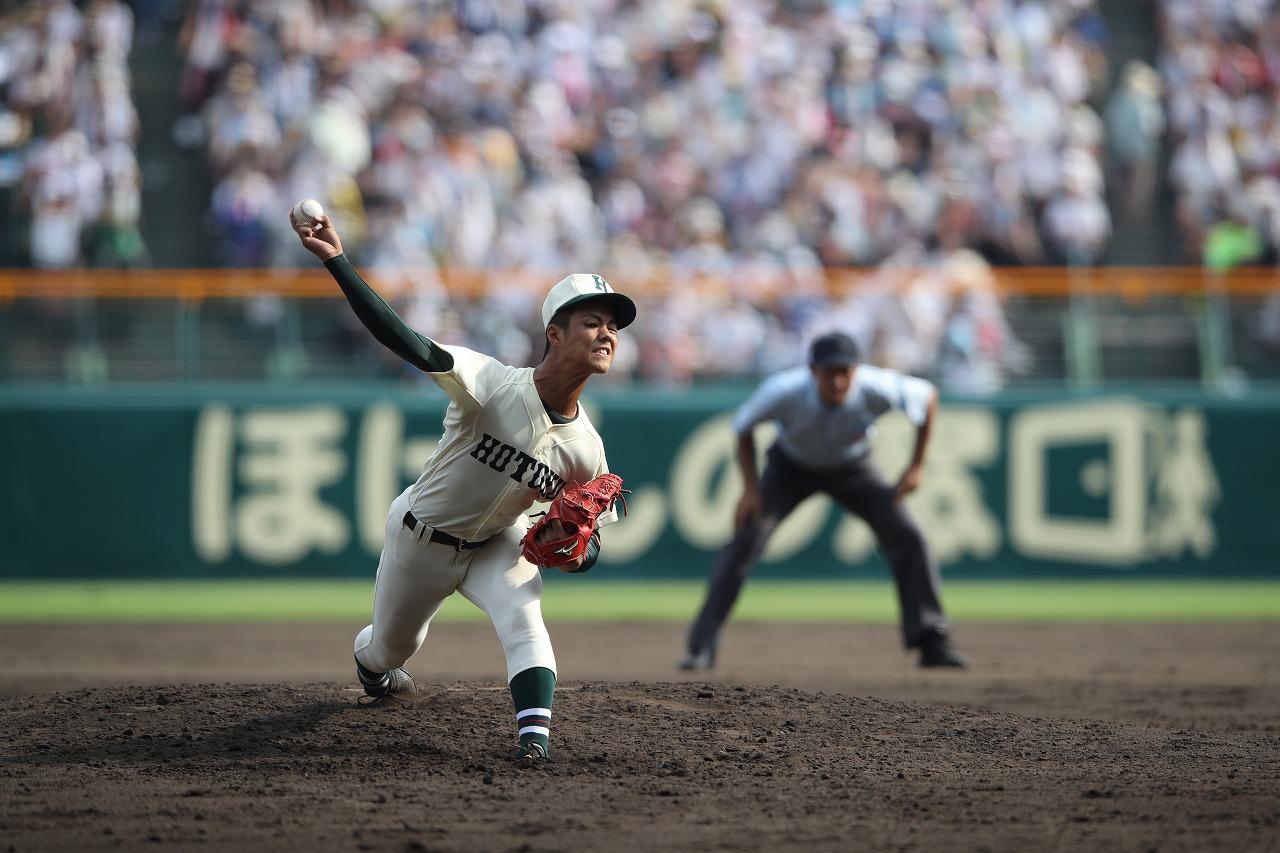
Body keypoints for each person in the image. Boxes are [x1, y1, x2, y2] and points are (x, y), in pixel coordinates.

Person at [290, 207, 635, 763]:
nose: (608, 334)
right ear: (555, 333)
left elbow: (592, 541)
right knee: (389, 650)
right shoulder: (491, 383)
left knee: (525, 621)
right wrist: (339, 262)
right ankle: (374, 669)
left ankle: (534, 744)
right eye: (593, 322)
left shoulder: (587, 449)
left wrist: (576, 553)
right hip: (421, 536)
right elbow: (404, 340)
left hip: (499, 541)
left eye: (614, 327)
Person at [680, 331, 966, 671]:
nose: (838, 380)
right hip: (791, 468)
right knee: (745, 541)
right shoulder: (785, 390)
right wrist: (750, 490)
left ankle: (932, 641)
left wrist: (917, 465)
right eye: (830, 372)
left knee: (909, 537)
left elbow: (928, 397)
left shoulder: (876, 386)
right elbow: (743, 428)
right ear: (813, 371)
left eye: (845, 371)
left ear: (856, 369)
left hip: (854, 467)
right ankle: (703, 645)